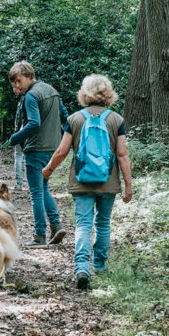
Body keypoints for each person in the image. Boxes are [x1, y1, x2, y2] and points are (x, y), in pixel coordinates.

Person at [41, 74, 132, 289]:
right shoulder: (116, 120)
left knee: (83, 224)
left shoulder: (75, 119)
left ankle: (82, 267)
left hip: (81, 180)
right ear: (108, 93)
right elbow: (122, 154)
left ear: (84, 92)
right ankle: (100, 265)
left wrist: (49, 169)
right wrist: (128, 184)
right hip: (108, 181)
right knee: (103, 223)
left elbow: (63, 151)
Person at [7, 61, 68, 247]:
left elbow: (34, 123)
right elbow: (66, 117)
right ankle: (56, 226)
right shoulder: (52, 90)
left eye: (18, 81)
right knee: (43, 189)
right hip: (53, 149)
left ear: (28, 76)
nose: (17, 86)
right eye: (13, 83)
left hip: (35, 150)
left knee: (36, 193)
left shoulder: (31, 96)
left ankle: (39, 235)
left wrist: (14, 138)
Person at [12, 87, 26, 192]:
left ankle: (19, 184)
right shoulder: (21, 99)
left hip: (22, 133)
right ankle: (20, 183)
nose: (13, 89)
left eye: (15, 87)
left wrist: (17, 133)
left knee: (19, 156)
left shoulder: (24, 100)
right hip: (20, 132)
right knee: (21, 156)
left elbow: (22, 119)